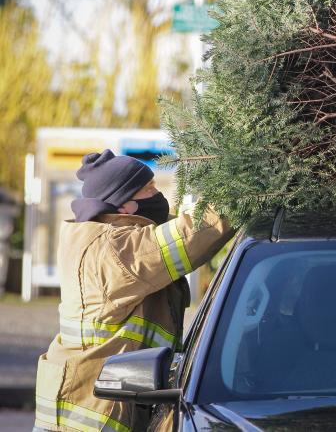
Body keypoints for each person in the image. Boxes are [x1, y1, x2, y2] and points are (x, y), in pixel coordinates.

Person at [34, 150, 234, 432]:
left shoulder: (102, 235)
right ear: (124, 205)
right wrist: (242, 192)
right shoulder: (115, 250)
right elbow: (191, 235)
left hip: (85, 407)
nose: (158, 195)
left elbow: (176, 227)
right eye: (149, 189)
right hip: (92, 418)